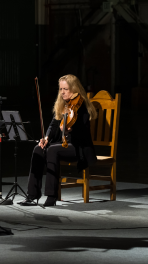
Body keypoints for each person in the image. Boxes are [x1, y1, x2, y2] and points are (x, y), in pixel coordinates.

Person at [19, 74, 97, 207]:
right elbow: (53, 125)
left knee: (52, 150)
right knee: (39, 148)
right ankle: (32, 195)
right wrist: (46, 137)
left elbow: (83, 132)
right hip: (63, 144)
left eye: (65, 89)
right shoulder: (63, 105)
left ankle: (51, 196)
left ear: (74, 89)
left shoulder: (81, 106)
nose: (62, 92)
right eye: (61, 89)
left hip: (79, 147)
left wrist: (71, 129)